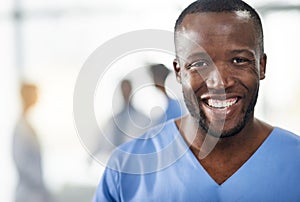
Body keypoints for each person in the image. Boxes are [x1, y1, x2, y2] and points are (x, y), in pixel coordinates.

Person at [93, 0, 300, 201]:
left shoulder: (295, 160)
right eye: (199, 63)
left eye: (239, 60)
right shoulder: (126, 167)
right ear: (179, 71)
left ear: (261, 66)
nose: (220, 82)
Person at [12, 83, 52, 202]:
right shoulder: (21, 128)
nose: (37, 97)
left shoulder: (27, 126)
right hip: (28, 194)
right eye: (35, 93)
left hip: (34, 192)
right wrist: (39, 185)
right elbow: (21, 162)